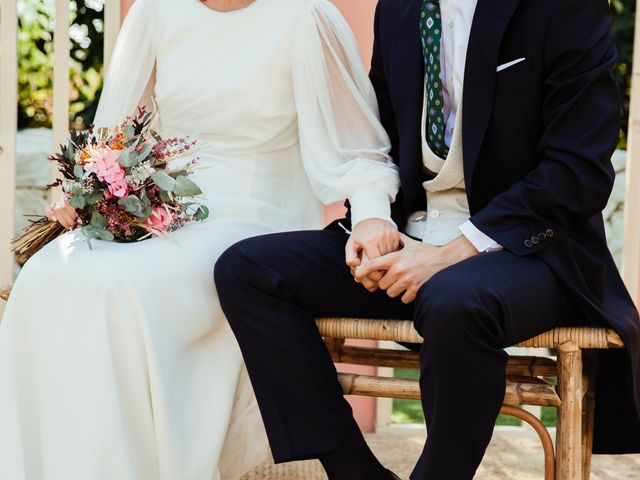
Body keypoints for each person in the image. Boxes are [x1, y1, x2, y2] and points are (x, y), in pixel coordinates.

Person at [214, 0, 640, 478]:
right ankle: (355, 473)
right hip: (409, 236)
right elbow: (377, 135)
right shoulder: (399, 8)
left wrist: (452, 253)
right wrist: (372, 218)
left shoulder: (564, 9)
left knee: (454, 298)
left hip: (529, 247)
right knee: (249, 271)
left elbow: (577, 170)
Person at [0, 0, 402, 478]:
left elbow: (359, 147)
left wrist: (372, 217)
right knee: (47, 274)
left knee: (119, 288)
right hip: (164, 210)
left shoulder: (305, 15)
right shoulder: (155, 11)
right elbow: (113, 135)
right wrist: (86, 193)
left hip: (255, 217)